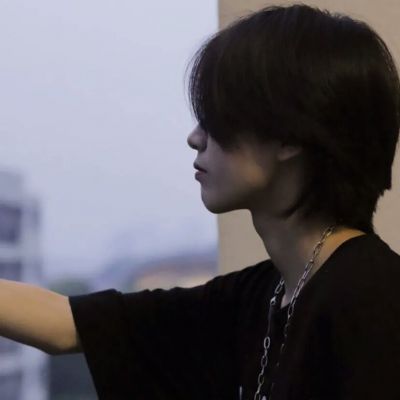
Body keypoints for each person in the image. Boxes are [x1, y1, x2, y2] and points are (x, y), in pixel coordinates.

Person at [1, 3, 400, 399]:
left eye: (216, 116)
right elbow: (66, 325)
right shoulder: (262, 294)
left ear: (290, 135)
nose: (195, 138)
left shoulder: (374, 299)